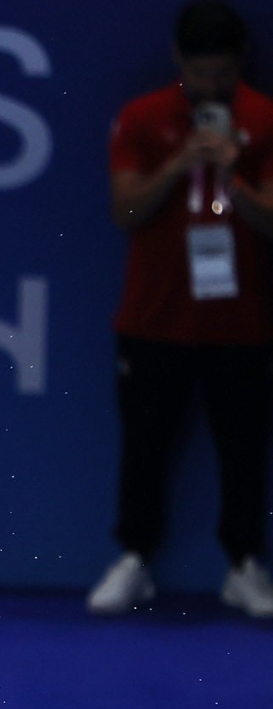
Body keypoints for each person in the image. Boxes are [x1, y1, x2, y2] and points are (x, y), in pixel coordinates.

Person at [88, 1, 273, 617]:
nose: (212, 85)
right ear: (180, 61)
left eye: (223, 74)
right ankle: (134, 560)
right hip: (153, 319)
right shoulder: (143, 118)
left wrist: (234, 176)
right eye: (201, 72)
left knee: (243, 451)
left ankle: (244, 566)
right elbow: (124, 213)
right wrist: (180, 163)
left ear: (239, 65)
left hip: (242, 323)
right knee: (144, 447)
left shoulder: (265, 120)